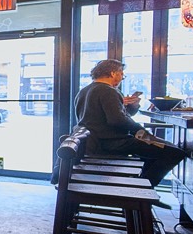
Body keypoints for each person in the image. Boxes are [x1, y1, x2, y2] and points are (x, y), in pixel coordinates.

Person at [74, 58, 186, 190]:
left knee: (154, 152)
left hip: (96, 141)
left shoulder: (84, 91)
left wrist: (131, 107)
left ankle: (140, 186)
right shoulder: (108, 91)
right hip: (112, 142)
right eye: (121, 74)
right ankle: (141, 190)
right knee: (174, 153)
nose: (121, 78)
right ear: (113, 73)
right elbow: (117, 120)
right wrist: (142, 131)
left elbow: (114, 117)